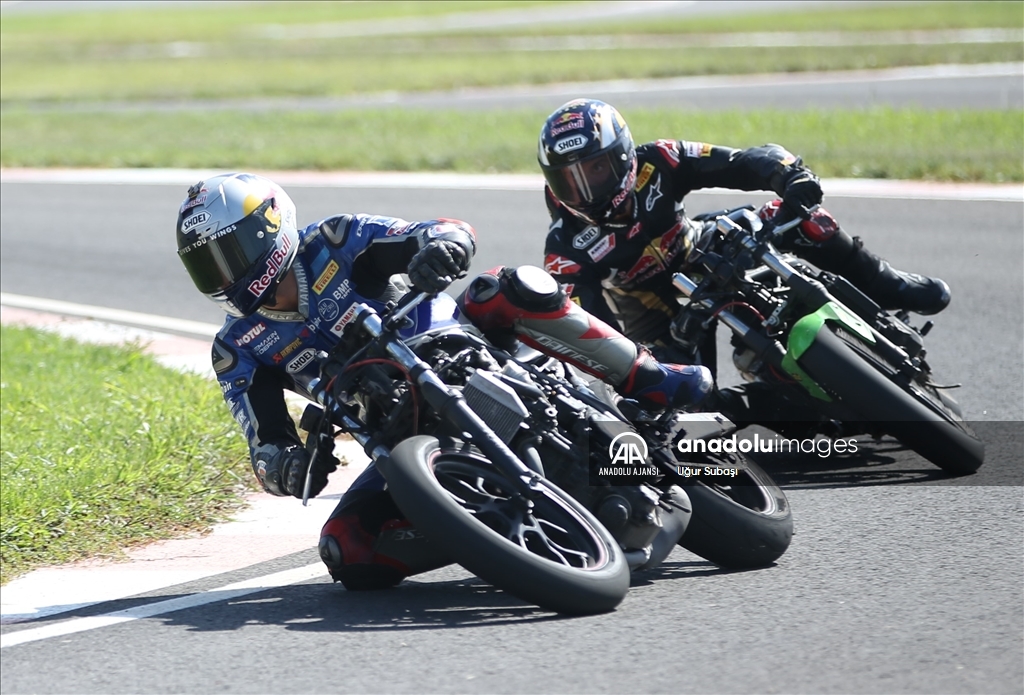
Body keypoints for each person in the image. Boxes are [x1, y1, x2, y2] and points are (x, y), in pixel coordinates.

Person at [175, 172, 712, 591]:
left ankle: (650, 377)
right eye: (207, 267)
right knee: (348, 549)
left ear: (268, 228)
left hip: (459, 349)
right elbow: (265, 446)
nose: (223, 275)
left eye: (229, 255)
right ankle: (491, 534)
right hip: (394, 434)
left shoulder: (334, 240)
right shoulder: (237, 347)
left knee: (504, 287)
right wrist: (288, 467)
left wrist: (442, 248)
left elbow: (437, 230)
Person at [537, 98, 951, 417]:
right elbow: (589, 330)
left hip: (699, 247)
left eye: (594, 169)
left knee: (801, 219)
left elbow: (742, 161)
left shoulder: (660, 160)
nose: (584, 190)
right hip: (653, 312)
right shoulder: (563, 250)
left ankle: (886, 283)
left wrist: (790, 174)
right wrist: (633, 365)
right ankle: (766, 406)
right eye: (568, 178)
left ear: (624, 155)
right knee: (683, 404)